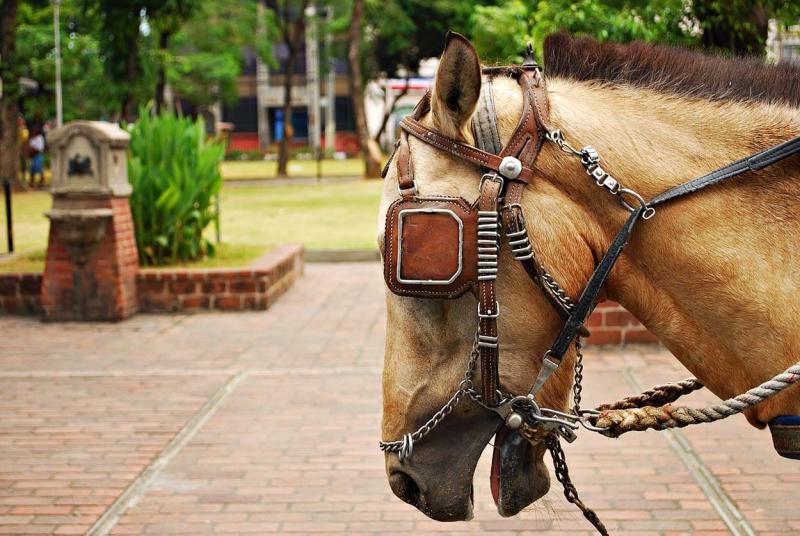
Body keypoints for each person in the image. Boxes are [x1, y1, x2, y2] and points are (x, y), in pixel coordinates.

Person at [18, 116, 29, 182]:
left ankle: (23, 178)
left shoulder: (25, 129)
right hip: (17, 149)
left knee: (23, 164)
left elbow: (25, 138)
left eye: (21, 120)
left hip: (22, 148)